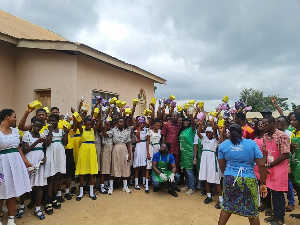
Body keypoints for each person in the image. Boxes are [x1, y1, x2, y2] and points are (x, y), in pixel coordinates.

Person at [217, 124, 268, 225]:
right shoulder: (251, 144)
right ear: (242, 133)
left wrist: (229, 175)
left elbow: (222, 166)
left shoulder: (223, 145)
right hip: (248, 179)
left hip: (230, 178)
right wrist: (263, 184)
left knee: (227, 207)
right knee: (252, 211)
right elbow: (261, 165)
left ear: (229, 133)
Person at [0, 109, 32, 225]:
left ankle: (11, 220)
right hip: (1, 165)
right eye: (14, 117)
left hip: (15, 165)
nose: (15, 119)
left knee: (12, 192)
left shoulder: (14, 131)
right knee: (0, 192)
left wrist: (25, 160)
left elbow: (18, 148)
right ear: (7, 117)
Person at [16, 118, 47, 220]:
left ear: (42, 127)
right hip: (29, 162)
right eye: (35, 126)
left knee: (39, 186)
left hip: (39, 163)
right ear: (32, 125)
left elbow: (44, 149)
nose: (37, 128)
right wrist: (38, 141)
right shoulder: (27, 135)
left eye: (39, 126)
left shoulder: (43, 135)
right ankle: (21, 207)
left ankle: (38, 208)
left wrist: (45, 158)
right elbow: (25, 150)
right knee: (25, 186)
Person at [262, 116, 290, 225]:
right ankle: (275, 215)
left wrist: (272, 164)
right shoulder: (265, 136)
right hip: (270, 167)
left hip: (279, 168)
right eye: (262, 124)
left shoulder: (282, 136)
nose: (263, 126)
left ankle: (280, 218)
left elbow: (285, 154)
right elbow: (265, 151)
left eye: (265, 124)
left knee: (278, 194)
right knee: (272, 192)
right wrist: (265, 164)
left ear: (273, 123)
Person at [43, 114, 68, 215]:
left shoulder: (61, 131)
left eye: (54, 121)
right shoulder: (46, 131)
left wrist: (66, 133)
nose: (52, 123)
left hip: (60, 155)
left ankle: (54, 199)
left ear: (58, 121)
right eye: (50, 121)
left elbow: (65, 142)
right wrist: (50, 131)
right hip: (51, 154)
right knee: (51, 178)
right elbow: (47, 143)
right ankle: (48, 202)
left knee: (58, 177)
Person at [198, 116, 224, 209]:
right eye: (207, 133)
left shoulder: (215, 140)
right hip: (204, 161)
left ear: (213, 133)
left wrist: (214, 125)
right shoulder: (204, 139)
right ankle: (209, 196)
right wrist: (200, 124)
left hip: (212, 161)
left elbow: (219, 138)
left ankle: (221, 200)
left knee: (216, 180)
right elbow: (198, 133)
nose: (208, 134)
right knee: (206, 179)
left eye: (210, 133)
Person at [75, 116, 101, 201]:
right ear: (84, 124)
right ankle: (81, 192)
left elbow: (100, 122)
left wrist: (101, 111)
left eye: (90, 124)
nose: (89, 126)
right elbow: (78, 123)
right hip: (84, 151)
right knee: (82, 173)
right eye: (87, 124)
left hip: (92, 152)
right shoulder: (82, 130)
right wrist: (76, 114)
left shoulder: (93, 130)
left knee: (92, 173)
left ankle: (91, 192)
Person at [276, 115, 295, 212]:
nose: (279, 124)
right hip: (276, 161)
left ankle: (291, 202)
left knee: (288, 182)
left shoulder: (288, 133)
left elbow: (289, 149)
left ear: (286, 124)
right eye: (278, 121)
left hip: (287, 160)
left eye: (282, 122)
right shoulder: (274, 133)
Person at [108, 118, 132, 195]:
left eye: (122, 122)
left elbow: (128, 143)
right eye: (119, 122)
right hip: (116, 149)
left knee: (125, 167)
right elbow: (105, 134)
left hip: (124, 149)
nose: (121, 123)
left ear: (124, 123)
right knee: (114, 166)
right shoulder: (113, 130)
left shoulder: (127, 132)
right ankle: (110, 187)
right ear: (117, 123)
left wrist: (130, 153)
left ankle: (125, 186)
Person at [179, 114, 196, 195]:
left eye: (187, 121)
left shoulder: (191, 129)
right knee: (185, 170)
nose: (185, 122)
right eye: (184, 121)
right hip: (183, 152)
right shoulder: (183, 130)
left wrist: (191, 116)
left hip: (189, 152)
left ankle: (192, 188)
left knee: (189, 170)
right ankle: (187, 184)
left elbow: (193, 124)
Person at [145, 118, 161, 194]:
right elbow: (147, 142)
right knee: (148, 167)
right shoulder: (150, 131)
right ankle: (147, 186)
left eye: (159, 125)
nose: (158, 126)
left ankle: (155, 184)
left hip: (158, 150)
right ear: (154, 125)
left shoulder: (160, 132)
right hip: (151, 149)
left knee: (156, 166)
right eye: (157, 125)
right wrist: (147, 153)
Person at [289, 111, 300, 219]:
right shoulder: (293, 132)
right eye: (291, 120)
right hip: (295, 165)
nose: (292, 122)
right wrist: (291, 147)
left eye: (294, 120)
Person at [133, 117, 148, 190]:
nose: (142, 124)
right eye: (141, 123)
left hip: (144, 147)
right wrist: (139, 126)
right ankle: (136, 183)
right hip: (139, 147)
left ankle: (144, 182)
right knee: (137, 166)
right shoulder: (136, 130)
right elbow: (138, 136)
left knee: (144, 167)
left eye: (143, 123)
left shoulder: (146, 130)